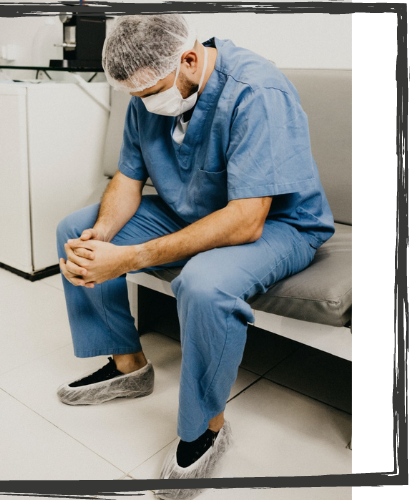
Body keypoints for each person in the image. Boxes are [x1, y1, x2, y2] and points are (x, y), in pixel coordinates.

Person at [56, 14, 335, 499]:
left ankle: (207, 425)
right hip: (191, 206)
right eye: (135, 98)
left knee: (204, 283)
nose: (143, 105)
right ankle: (128, 368)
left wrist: (127, 258)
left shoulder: (256, 90)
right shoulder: (154, 85)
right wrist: (101, 238)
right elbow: (127, 177)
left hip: (278, 223)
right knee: (75, 229)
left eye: (149, 94)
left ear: (189, 59)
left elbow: (247, 218)